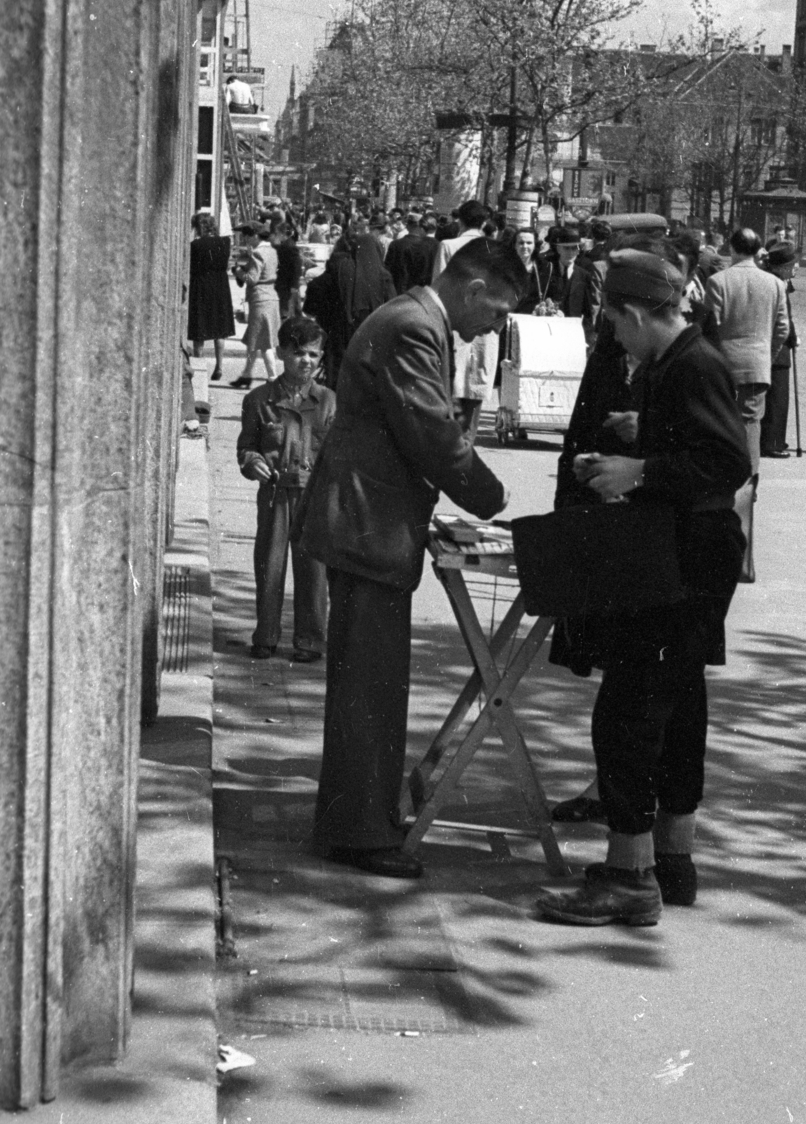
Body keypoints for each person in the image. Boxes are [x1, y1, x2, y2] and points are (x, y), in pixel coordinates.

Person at [294, 238, 527, 878]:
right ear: (474, 288)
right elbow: (429, 429)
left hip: (372, 523)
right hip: (368, 527)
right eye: (499, 313)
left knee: (369, 682)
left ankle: (361, 818)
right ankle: (357, 832)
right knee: (367, 686)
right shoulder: (414, 328)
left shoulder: (415, 320)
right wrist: (491, 496)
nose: (496, 328)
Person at [536, 248, 751, 926]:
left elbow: (725, 461)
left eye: (615, 326)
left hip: (683, 561)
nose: (616, 342)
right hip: (691, 556)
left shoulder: (691, 362)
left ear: (635, 313)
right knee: (678, 708)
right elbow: (696, 442)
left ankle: (628, 876)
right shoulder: (679, 361)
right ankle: (672, 860)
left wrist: (639, 472)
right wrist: (644, 433)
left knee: (628, 711)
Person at [237, 317, 336, 661]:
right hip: (275, 495)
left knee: (313, 572)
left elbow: (341, 453)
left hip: (314, 497)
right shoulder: (259, 400)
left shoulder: (329, 403)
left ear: (321, 357)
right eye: (297, 353)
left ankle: (310, 640)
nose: (305, 361)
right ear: (280, 352)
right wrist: (251, 461)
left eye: (313, 354)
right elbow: (246, 446)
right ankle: (266, 636)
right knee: (270, 565)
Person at [702, 226, 790, 472]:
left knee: (720, 421)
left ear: (731, 249)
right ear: (757, 250)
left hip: (723, 366)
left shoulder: (717, 281)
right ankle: (749, 482)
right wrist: (767, 356)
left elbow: (711, 327)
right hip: (757, 366)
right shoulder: (775, 284)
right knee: (751, 422)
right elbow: (782, 328)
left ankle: (723, 475)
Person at [434, 200, 501, 437]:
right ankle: (468, 446)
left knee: (452, 385)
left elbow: (439, 291)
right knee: (476, 387)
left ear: (459, 221)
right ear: (484, 223)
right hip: (485, 327)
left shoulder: (448, 246)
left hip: (455, 326)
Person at [303, 228, 394, 390]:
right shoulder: (383, 277)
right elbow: (393, 309)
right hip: (372, 343)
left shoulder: (338, 270)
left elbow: (311, 304)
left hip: (338, 341)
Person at [759, 241, 799, 458]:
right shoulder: (776, 284)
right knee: (777, 398)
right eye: (794, 264)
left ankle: (774, 440)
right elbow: (784, 318)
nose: (797, 267)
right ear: (783, 266)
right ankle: (772, 443)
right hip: (777, 347)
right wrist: (793, 338)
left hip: (773, 345)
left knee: (775, 397)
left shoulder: (778, 280)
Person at [231, 223, 281, 386]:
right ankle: (246, 374)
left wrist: (238, 271)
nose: (245, 239)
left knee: (263, 341)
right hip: (270, 297)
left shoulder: (258, 253)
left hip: (260, 299)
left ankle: (273, 377)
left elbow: (251, 279)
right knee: (255, 340)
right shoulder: (272, 251)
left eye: (246, 235)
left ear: (255, 236)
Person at [187, 210, 234, 380]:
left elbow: (192, 269)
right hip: (220, 287)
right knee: (219, 330)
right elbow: (226, 264)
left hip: (201, 287)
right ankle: (219, 365)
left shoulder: (195, 246)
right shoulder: (225, 242)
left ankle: (199, 366)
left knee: (199, 330)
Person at [384, 211, 437, 294]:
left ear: (407, 226)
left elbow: (388, 269)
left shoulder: (395, 244)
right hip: (419, 292)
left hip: (398, 290)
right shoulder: (429, 246)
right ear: (421, 227)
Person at [271, 214, 303, 318]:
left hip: (288, 283)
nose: (277, 235)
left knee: (288, 308)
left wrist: (294, 284)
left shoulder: (289, 245)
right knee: (290, 307)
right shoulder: (286, 244)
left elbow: (297, 266)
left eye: (277, 233)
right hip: (285, 282)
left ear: (283, 233)